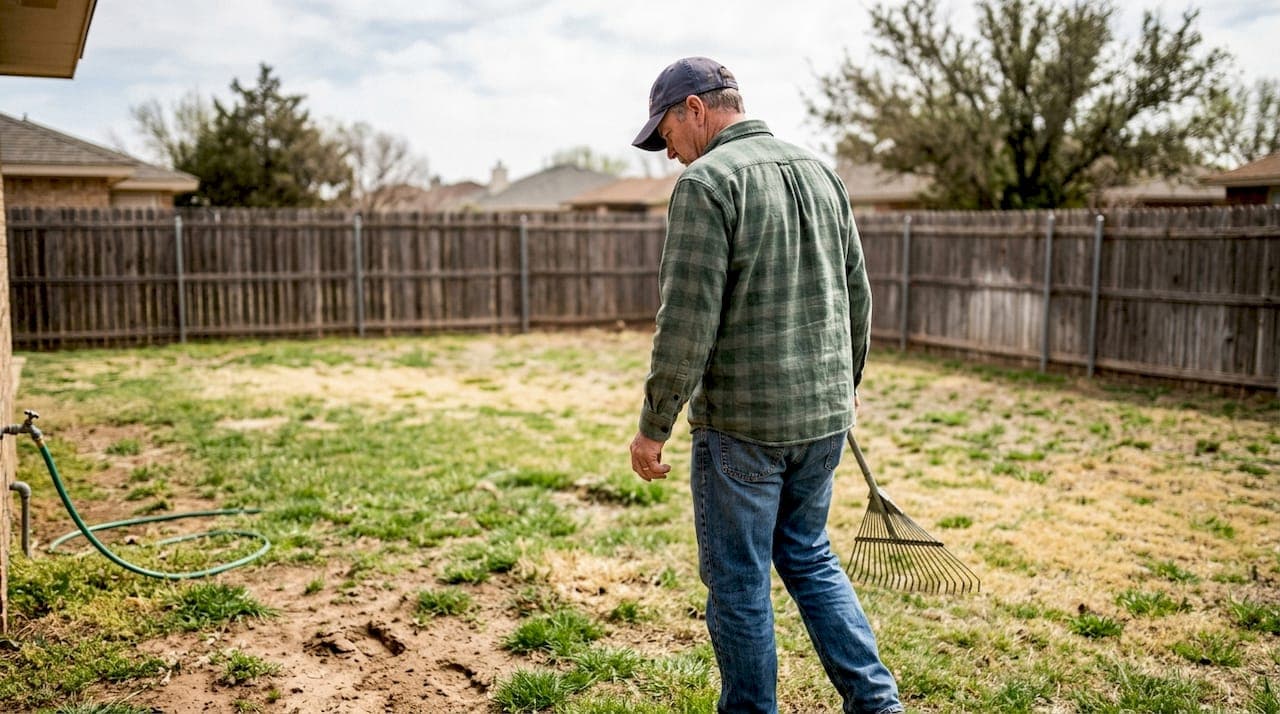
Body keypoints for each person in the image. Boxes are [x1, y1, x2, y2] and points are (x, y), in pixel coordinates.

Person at [627, 57, 904, 714]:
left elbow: (685, 323)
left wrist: (652, 427)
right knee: (807, 554)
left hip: (744, 431)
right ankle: (877, 703)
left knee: (739, 583)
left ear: (695, 109)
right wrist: (847, 386)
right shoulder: (822, 173)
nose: (667, 152)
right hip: (824, 418)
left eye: (665, 130)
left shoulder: (707, 187)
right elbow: (856, 296)